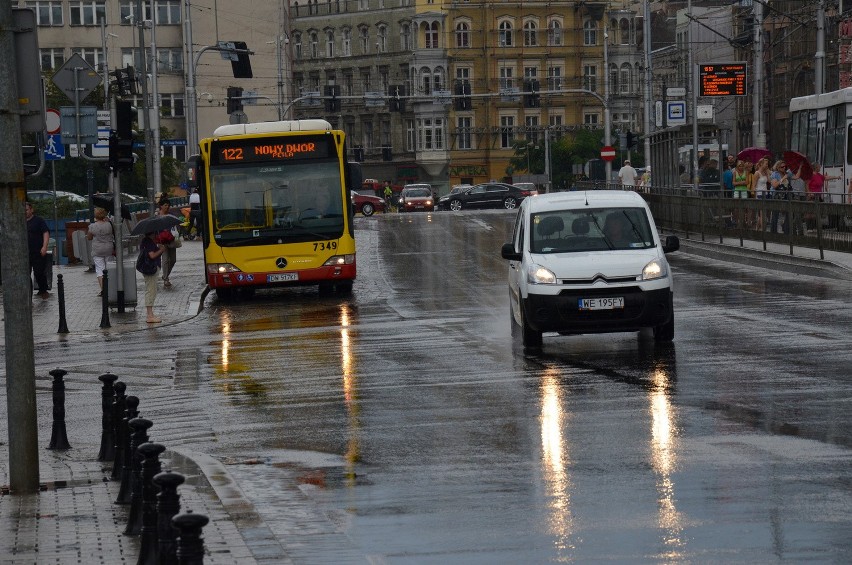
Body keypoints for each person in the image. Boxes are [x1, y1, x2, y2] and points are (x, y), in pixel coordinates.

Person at [86, 207, 115, 296]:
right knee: (109, 268)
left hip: (97, 250)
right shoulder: (109, 224)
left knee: (100, 269)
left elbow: (89, 238)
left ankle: (104, 290)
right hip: (108, 249)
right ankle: (111, 288)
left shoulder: (92, 226)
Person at [139, 231, 166, 323]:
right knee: (151, 290)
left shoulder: (146, 241)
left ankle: (151, 314)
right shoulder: (148, 242)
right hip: (151, 269)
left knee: (152, 290)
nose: (157, 234)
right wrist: (161, 250)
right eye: (156, 233)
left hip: (149, 268)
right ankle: (150, 316)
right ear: (152, 233)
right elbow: (152, 255)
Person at [25, 201, 51, 299]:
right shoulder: (19, 222)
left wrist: (44, 247)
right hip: (25, 253)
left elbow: (45, 233)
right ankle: (29, 295)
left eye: (26, 210)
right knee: (25, 274)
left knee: (39, 272)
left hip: (37, 251)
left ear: (31, 210)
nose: (25, 212)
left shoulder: (39, 221)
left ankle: (43, 289)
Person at [156, 197, 178, 288]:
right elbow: (155, 229)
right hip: (162, 241)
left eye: (168, 205)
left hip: (171, 240)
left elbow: (176, 225)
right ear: (161, 206)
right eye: (165, 205)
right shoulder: (157, 216)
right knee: (165, 260)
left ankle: (165, 275)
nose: (167, 207)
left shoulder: (171, 215)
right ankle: (165, 279)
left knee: (173, 260)